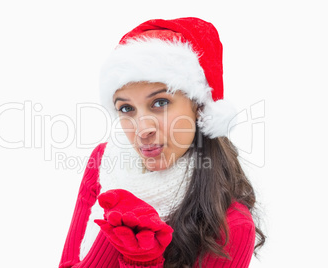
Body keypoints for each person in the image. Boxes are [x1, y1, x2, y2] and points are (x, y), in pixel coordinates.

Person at [59, 17, 265, 268]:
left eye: (160, 103)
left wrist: (141, 261)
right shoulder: (104, 161)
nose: (142, 129)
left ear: (199, 107)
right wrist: (113, 233)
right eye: (126, 108)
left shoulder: (232, 226)